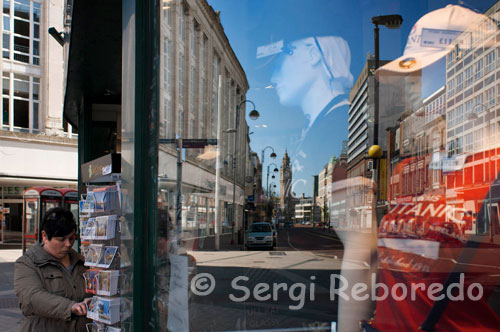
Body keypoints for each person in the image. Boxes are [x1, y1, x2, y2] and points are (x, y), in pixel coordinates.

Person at [270, 35, 353, 197]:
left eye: (280, 64)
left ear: (314, 55)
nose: (273, 78)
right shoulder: (318, 123)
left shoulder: (338, 122)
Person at [14, 207, 90, 331]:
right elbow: (31, 297)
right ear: (45, 236)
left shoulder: (81, 261)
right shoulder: (27, 263)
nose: (68, 244)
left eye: (71, 238)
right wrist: (70, 307)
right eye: (61, 239)